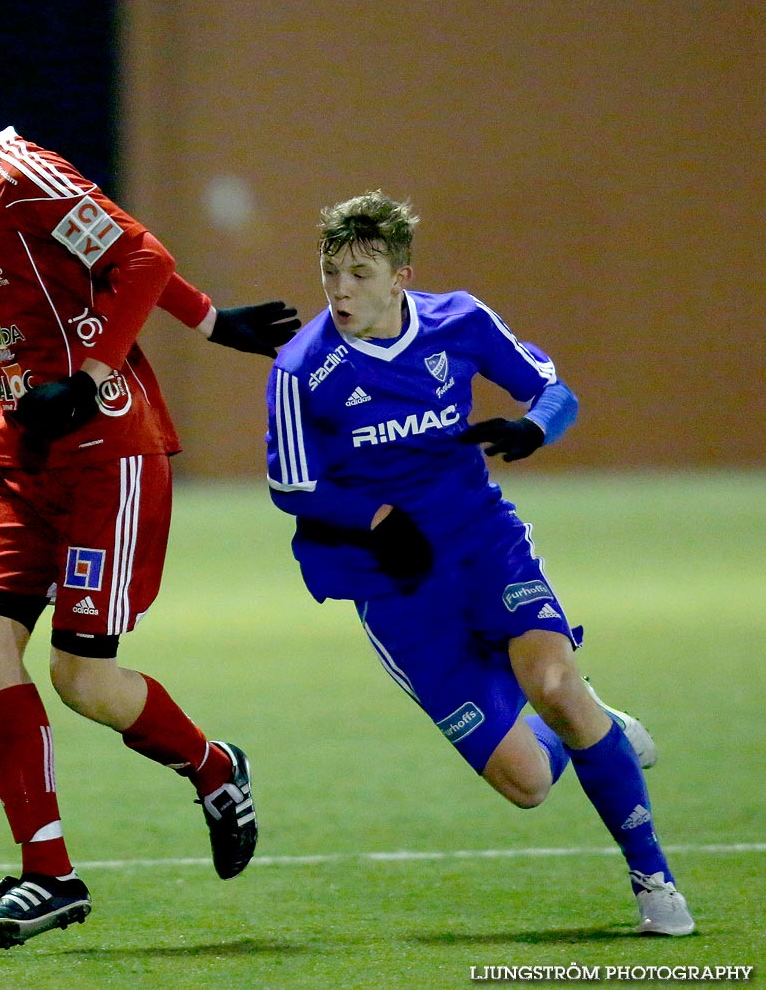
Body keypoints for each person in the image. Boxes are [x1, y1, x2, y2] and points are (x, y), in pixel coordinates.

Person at [0, 23, 300, 949]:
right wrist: (215, 322)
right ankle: (48, 877)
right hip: (23, 457)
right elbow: (113, 261)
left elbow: (136, 257)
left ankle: (215, 767)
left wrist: (91, 366)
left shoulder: (24, 175)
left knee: (81, 678)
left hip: (106, 456)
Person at [264, 190, 693, 936]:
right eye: (330, 271)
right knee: (526, 784)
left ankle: (653, 880)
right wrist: (374, 520)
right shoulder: (302, 368)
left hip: (482, 543)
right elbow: (291, 483)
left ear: (400, 275)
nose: (340, 289)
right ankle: (601, 726)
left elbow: (553, 391)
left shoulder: (459, 319)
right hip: (393, 585)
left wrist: (535, 428)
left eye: (360, 273)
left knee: (553, 682)